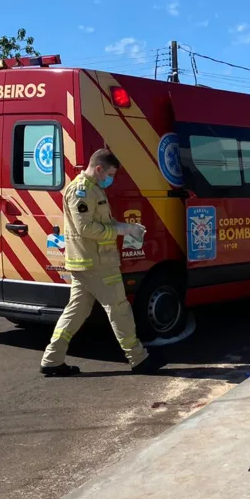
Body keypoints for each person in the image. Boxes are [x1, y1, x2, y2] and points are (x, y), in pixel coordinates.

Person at [41, 149, 165, 376]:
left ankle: (52, 359)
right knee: (119, 309)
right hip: (97, 263)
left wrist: (128, 228)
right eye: (110, 174)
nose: (111, 179)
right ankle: (138, 358)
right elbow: (86, 229)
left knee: (76, 311)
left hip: (86, 263)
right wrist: (123, 229)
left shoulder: (91, 188)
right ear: (99, 169)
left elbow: (99, 222)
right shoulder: (83, 191)